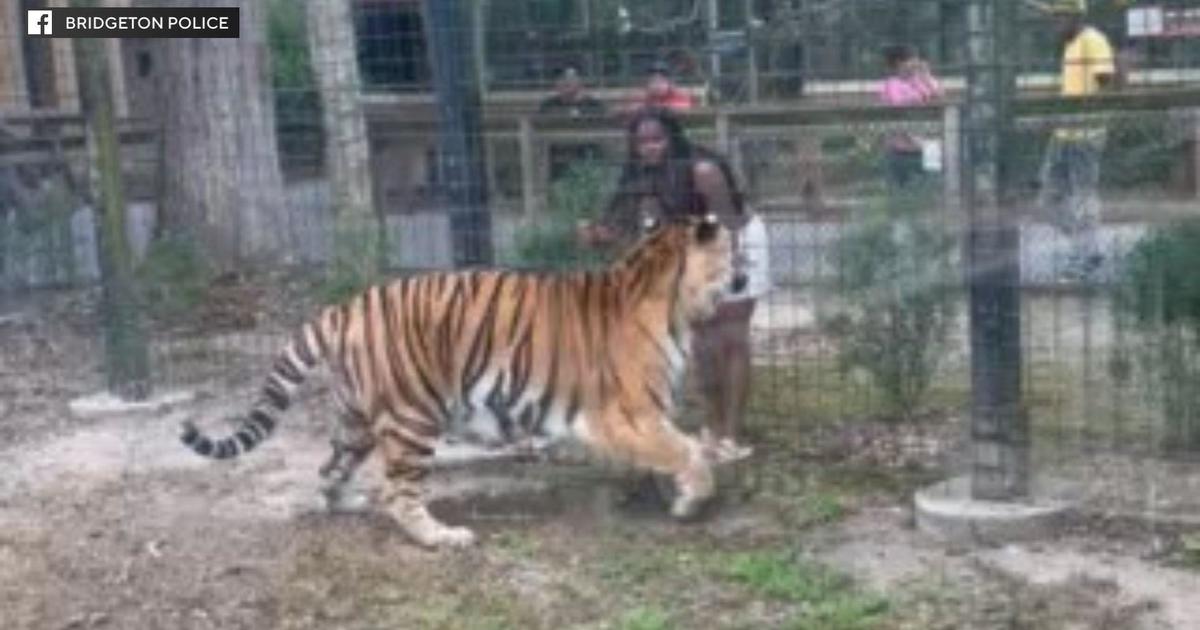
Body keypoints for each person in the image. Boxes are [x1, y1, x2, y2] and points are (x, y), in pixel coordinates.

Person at [578, 108, 771, 463]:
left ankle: (732, 435)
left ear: (673, 138)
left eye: (657, 139)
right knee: (702, 340)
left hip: (736, 242)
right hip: (692, 248)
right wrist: (602, 235)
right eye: (642, 142)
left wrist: (729, 273)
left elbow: (727, 225)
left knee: (730, 336)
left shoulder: (703, 171)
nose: (650, 147)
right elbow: (641, 234)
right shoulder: (641, 175)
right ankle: (712, 428)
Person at [1037, 0, 1116, 278]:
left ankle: (1085, 256)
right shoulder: (1070, 45)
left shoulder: (1093, 40)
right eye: (1054, 19)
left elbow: (1107, 82)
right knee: (1048, 201)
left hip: (1086, 133)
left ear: (1075, 17)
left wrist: (1092, 116)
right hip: (1062, 133)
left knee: (1083, 196)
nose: (1055, 25)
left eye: (1061, 19)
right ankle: (1089, 248)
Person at [878, 44, 942, 189]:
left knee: (934, 155)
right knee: (903, 188)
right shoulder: (891, 84)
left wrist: (927, 76)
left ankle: (933, 190)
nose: (917, 63)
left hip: (925, 139)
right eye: (913, 59)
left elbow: (938, 96)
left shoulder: (918, 81)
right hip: (901, 142)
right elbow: (898, 109)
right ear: (900, 64)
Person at [538, 66, 608, 182]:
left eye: (571, 79)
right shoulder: (549, 105)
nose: (566, 83)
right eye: (562, 79)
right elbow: (541, 126)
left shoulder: (593, 105)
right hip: (559, 159)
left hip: (587, 158)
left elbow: (601, 128)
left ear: (579, 82)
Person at [620, 61, 695, 116]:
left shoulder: (677, 95)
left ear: (669, 83)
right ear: (647, 83)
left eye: (661, 81)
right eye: (653, 81)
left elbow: (685, 106)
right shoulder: (643, 96)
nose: (657, 85)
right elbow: (629, 107)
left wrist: (661, 108)